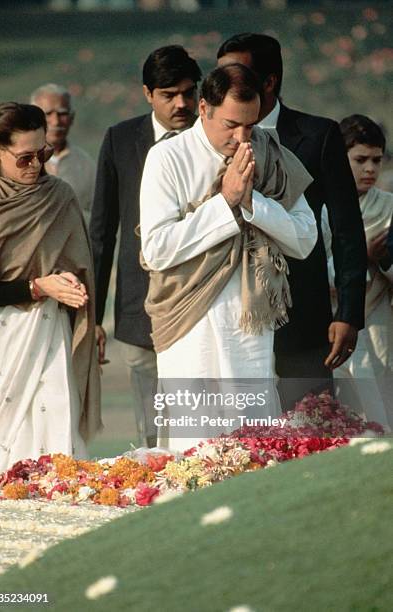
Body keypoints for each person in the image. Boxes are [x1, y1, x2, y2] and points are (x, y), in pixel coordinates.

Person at [139, 64, 317, 451]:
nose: (241, 137)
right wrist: (225, 202)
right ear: (204, 108)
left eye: (250, 126)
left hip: (251, 322)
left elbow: (305, 239)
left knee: (253, 441)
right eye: (231, 125)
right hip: (188, 319)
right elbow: (156, 249)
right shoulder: (167, 158)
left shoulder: (271, 154)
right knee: (194, 443)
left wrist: (254, 203)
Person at [217, 33, 368, 411]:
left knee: (310, 434)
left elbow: (348, 228)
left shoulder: (318, 135)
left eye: (239, 73)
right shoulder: (208, 137)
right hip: (230, 316)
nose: (225, 84)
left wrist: (348, 314)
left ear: (269, 82)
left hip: (303, 316)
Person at [90, 45, 201, 448]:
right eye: (169, 94)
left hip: (201, 297)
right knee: (152, 428)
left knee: (197, 414)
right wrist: (92, 317)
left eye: (189, 92)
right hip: (140, 304)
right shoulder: (120, 140)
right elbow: (102, 233)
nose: (182, 103)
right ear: (147, 93)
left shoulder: (213, 138)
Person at [0, 102, 101, 476]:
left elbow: (79, 265)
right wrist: (37, 286)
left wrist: (70, 287)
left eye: (43, 153)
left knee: (53, 444)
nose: (36, 165)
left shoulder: (59, 196)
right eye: (24, 158)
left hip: (48, 333)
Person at [322, 115, 393, 429]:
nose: (370, 169)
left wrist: (384, 259)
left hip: (377, 323)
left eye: (376, 160)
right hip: (329, 323)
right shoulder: (321, 206)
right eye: (360, 160)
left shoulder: (389, 207)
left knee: (381, 408)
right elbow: (312, 272)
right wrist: (359, 257)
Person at [30, 83, 96, 225]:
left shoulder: (85, 164)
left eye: (62, 114)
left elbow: (97, 217)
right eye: (48, 114)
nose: (56, 121)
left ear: (71, 118)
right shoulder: (20, 161)